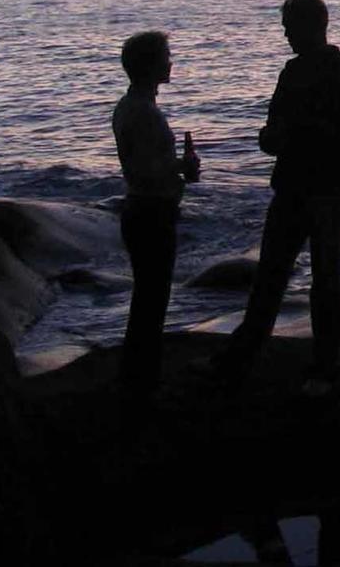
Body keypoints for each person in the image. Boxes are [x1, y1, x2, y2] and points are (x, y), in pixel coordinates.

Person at [216, 0, 340, 395]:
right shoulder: (295, 73)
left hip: (322, 193)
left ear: (312, 26)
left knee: (321, 279)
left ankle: (322, 366)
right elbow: (276, 132)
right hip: (295, 189)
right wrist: (273, 139)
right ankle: (246, 358)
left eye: (290, 28)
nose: (286, 35)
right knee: (274, 275)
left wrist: (328, 174)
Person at [112, 30, 200, 406]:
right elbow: (148, 171)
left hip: (143, 210)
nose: (171, 61)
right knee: (152, 300)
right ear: (150, 65)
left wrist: (178, 166)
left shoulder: (131, 107)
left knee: (148, 299)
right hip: (151, 212)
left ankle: (138, 378)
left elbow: (145, 166)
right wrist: (184, 166)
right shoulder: (143, 113)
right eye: (166, 55)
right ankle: (144, 384)